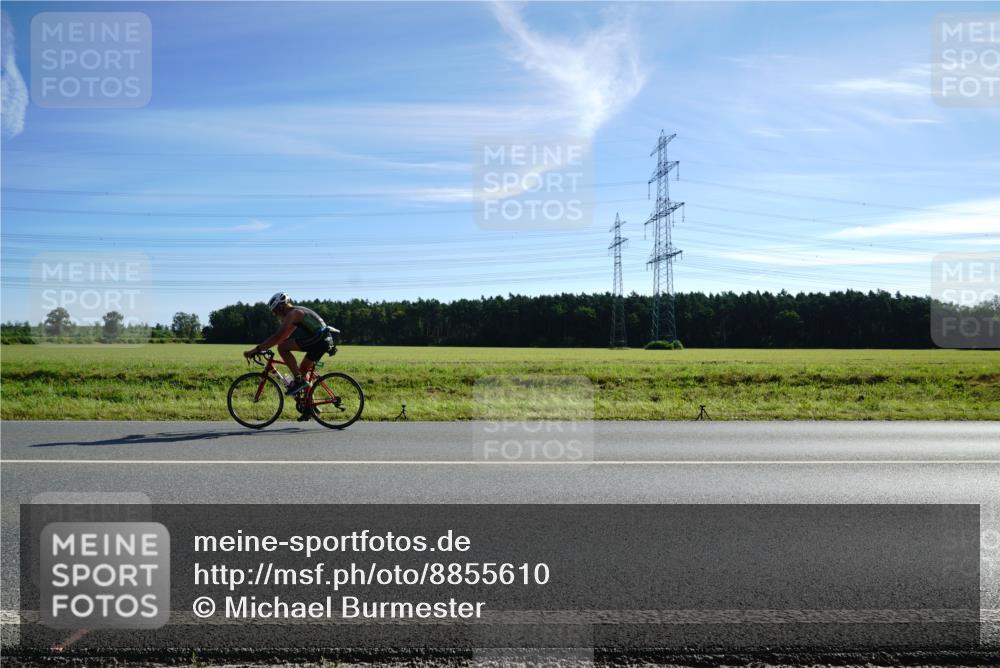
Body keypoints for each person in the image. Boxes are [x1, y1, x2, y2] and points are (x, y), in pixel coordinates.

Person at [244, 292, 337, 396]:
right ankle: (310, 408)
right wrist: (266, 346)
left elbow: (278, 337)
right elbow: (284, 336)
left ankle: (299, 380)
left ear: (281, 306)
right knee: (302, 371)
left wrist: (256, 350)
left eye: (275, 311)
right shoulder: (296, 312)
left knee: (282, 348)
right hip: (323, 340)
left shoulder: (293, 314)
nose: (275, 315)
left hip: (319, 340)